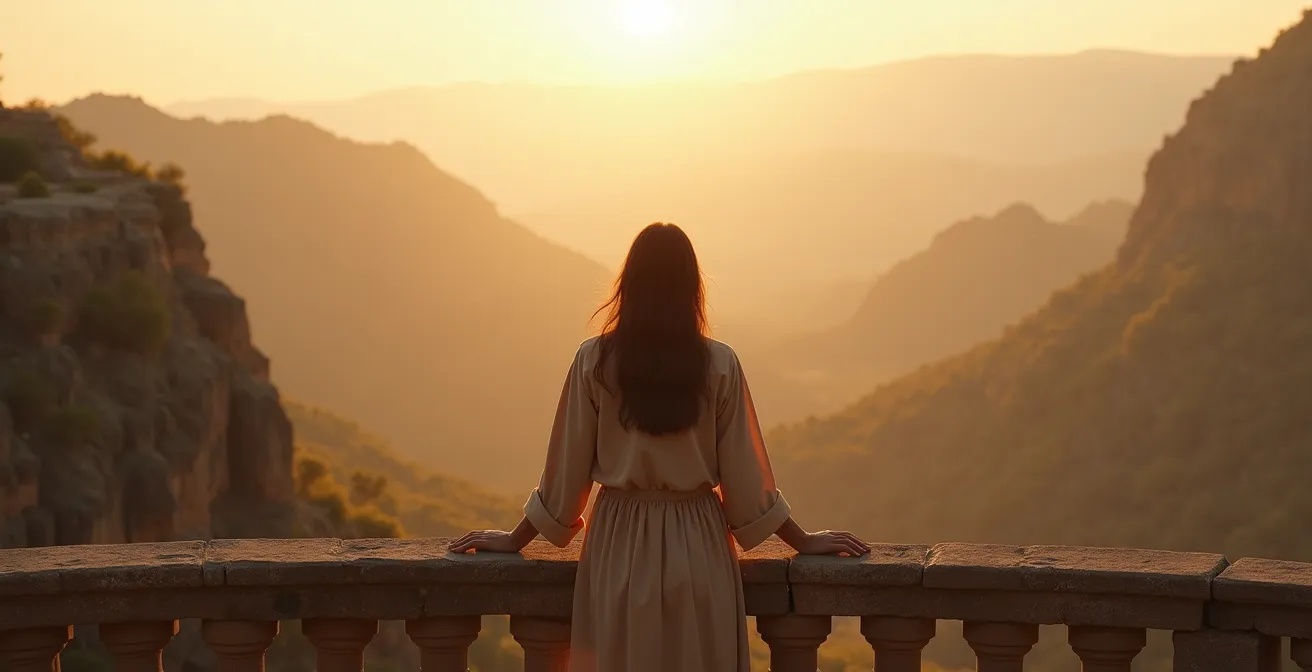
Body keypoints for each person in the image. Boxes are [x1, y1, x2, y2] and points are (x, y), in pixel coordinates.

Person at [450, 222, 870, 671]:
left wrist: (516, 539)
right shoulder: (720, 365)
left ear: (628, 285)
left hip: (618, 544)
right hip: (700, 545)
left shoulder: (593, 361)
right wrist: (802, 540)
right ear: (692, 289)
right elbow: (748, 484)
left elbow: (564, 477)